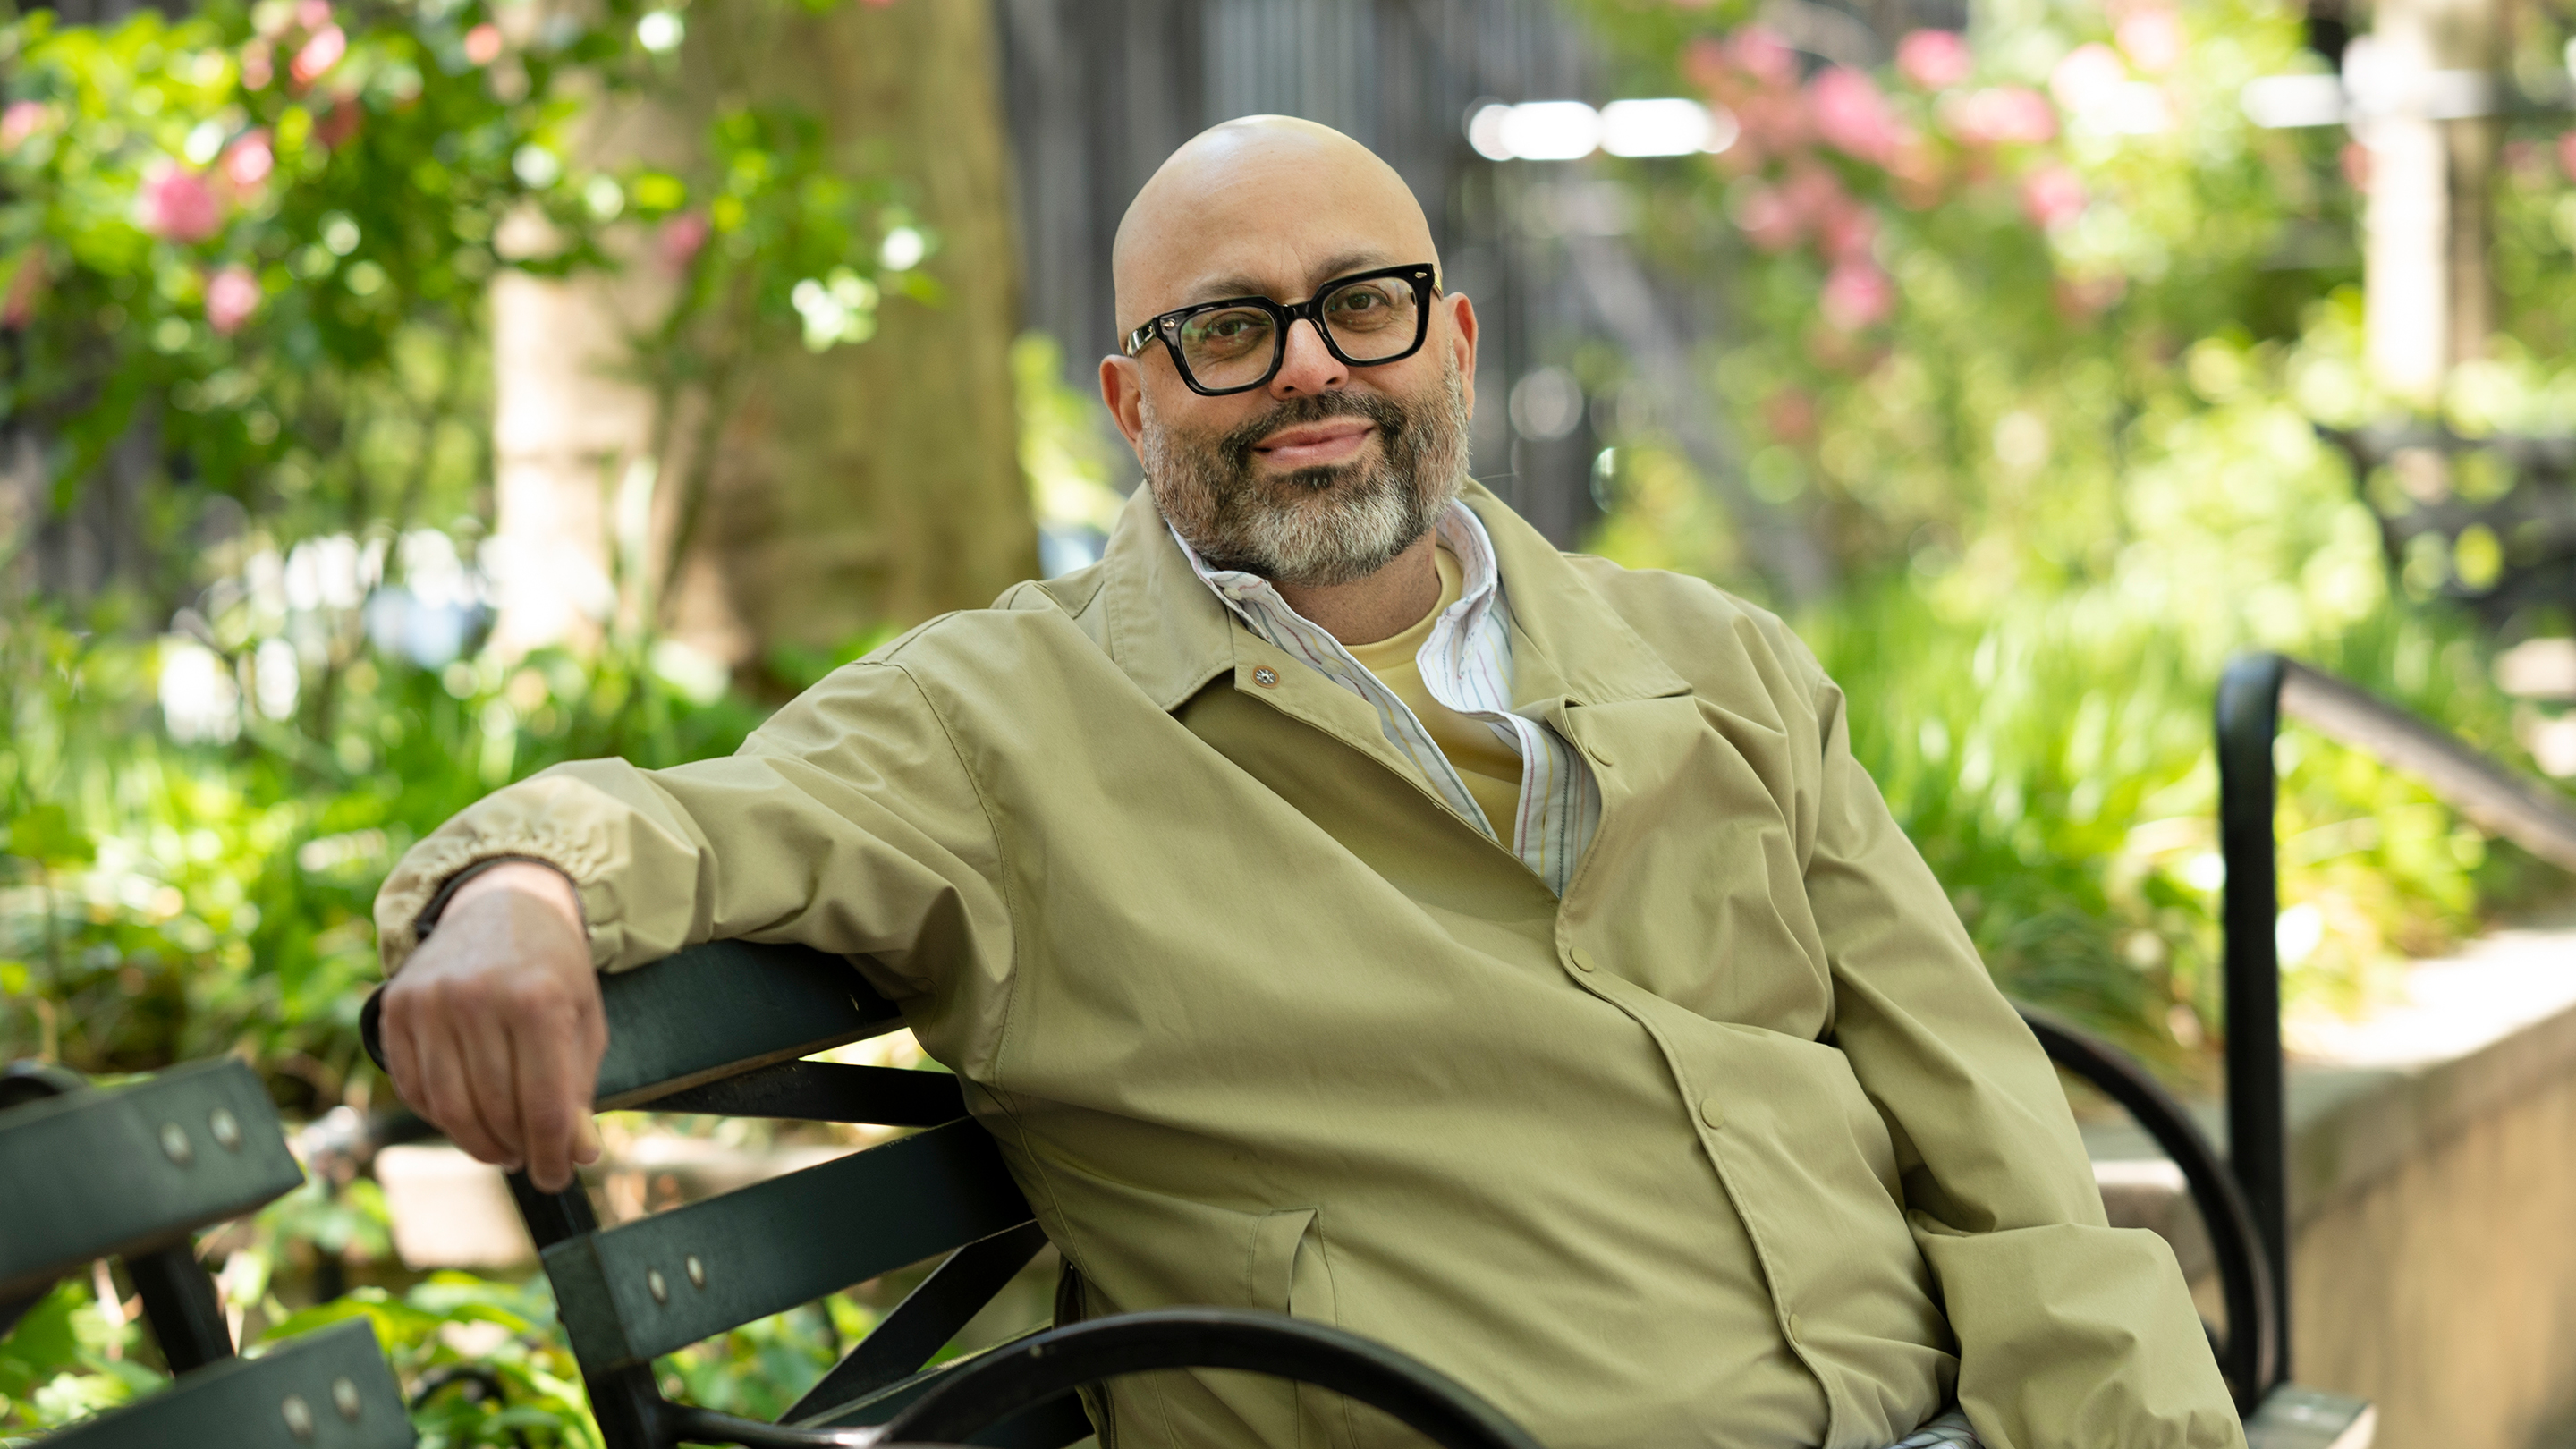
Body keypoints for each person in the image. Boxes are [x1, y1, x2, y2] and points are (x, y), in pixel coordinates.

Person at [371, 116, 2242, 1449]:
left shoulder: (1722, 663)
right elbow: (695, 817)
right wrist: (515, 897)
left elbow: (2001, 1155)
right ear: (1133, 400)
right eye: (1227, 329)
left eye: (1364, 304)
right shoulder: (997, 727)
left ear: (1452, 342)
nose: (1308, 373)